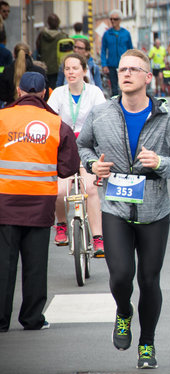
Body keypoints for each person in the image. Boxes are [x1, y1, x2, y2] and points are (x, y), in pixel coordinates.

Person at [77, 49, 170, 369]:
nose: (126, 74)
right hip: (115, 208)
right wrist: (92, 165)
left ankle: (147, 344)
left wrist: (161, 163)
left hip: (154, 211)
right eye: (122, 69)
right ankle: (124, 312)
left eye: (134, 69)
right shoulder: (101, 113)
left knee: (148, 279)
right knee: (120, 277)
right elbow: (83, 145)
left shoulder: (167, 119)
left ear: (148, 77)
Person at [0, 71, 79, 332]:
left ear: (19, 91)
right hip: (39, 204)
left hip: (5, 203)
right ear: (46, 93)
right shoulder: (56, 124)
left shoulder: (2, 118)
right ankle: (32, 318)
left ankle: (1, 321)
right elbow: (68, 168)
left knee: (4, 264)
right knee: (35, 265)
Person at [48, 53, 106, 256]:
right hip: (64, 148)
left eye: (75, 68)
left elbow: (102, 118)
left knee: (90, 188)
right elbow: (50, 120)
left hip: (88, 147)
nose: (71, 72)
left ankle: (98, 238)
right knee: (60, 191)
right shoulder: (57, 93)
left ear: (84, 70)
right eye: (67, 68)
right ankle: (62, 225)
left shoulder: (95, 92)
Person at [101, 9, 133, 97]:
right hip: (111, 65)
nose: (112, 21)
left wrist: (131, 63)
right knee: (114, 88)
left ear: (120, 20)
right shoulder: (107, 34)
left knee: (124, 86)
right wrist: (104, 65)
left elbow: (131, 50)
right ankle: (115, 106)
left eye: (115, 19)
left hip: (124, 65)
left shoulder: (126, 33)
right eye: (111, 19)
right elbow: (103, 50)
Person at [35, 13, 68, 90]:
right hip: (58, 68)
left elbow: (38, 49)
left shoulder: (42, 35)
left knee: (45, 89)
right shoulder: (63, 36)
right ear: (58, 23)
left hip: (44, 67)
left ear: (48, 23)